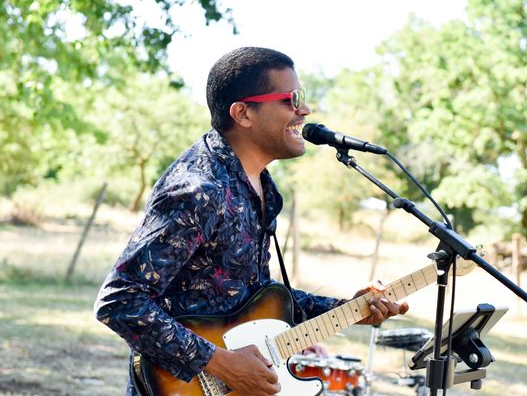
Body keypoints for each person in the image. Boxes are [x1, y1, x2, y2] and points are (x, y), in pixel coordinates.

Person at [94, 47, 409, 396]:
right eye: (291, 99)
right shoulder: (198, 189)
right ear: (243, 113)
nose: (304, 109)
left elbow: (254, 302)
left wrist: (349, 310)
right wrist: (220, 362)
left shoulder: (261, 188)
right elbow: (120, 301)